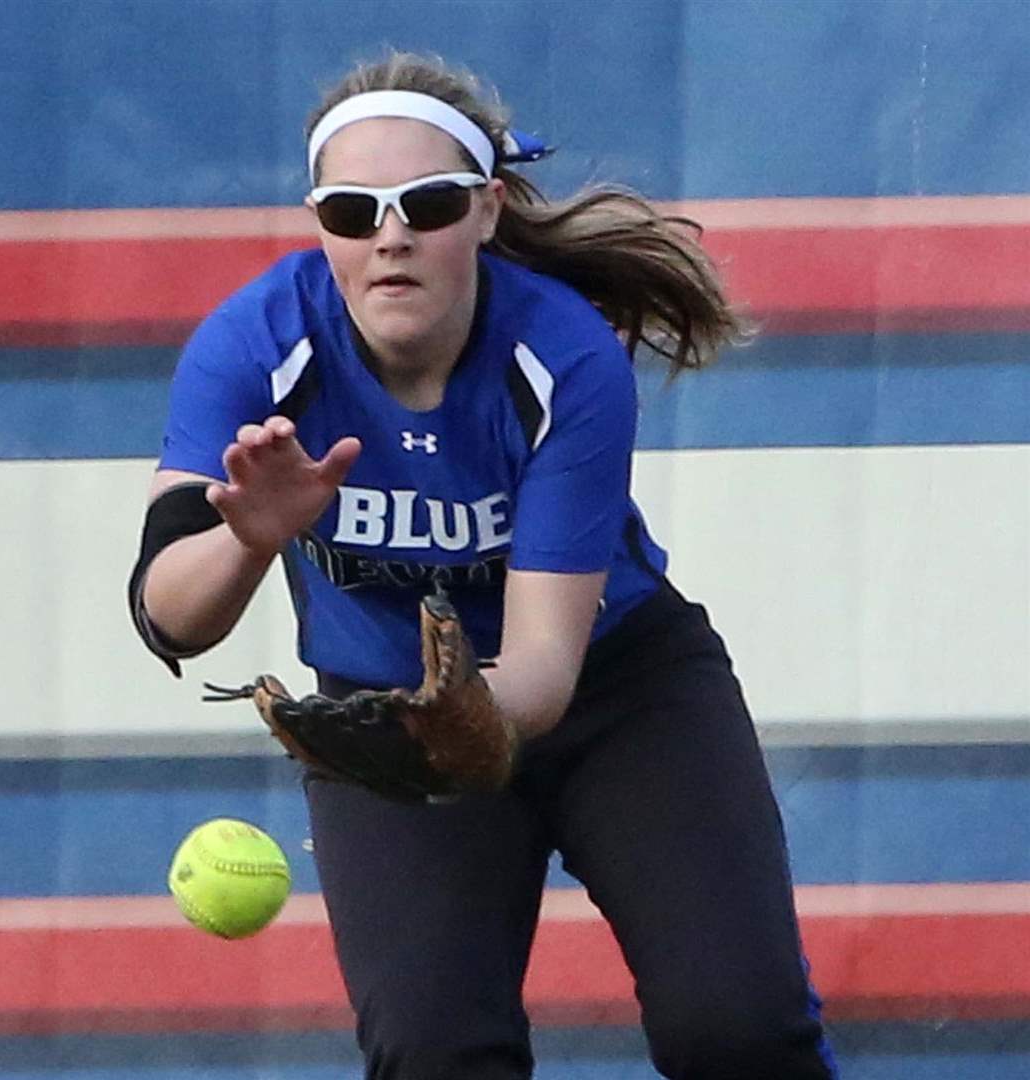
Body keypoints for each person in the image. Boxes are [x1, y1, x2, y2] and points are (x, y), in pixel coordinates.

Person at [129, 50, 839, 1080]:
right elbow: (168, 619)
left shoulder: (565, 358)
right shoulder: (254, 347)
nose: (391, 238)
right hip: (384, 717)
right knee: (434, 1055)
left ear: (488, 210)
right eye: (350, 212)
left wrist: (451, 724)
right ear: (317, 223)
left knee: (736, 1030)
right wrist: (248, 537)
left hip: (621, 696)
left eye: (428, 202)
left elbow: (547, 666)